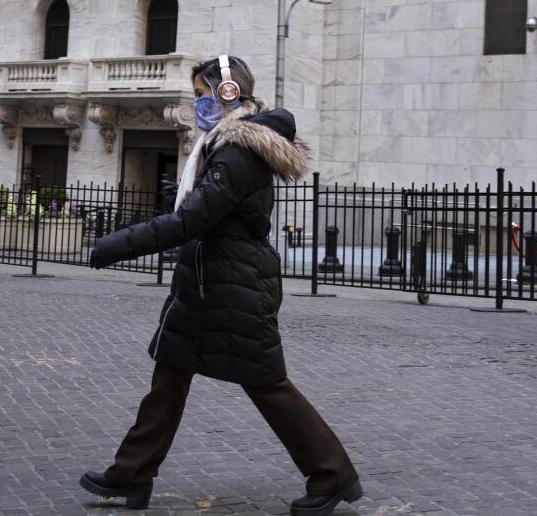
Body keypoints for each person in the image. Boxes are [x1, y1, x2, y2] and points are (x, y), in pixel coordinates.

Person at [81, 55, 361, 516]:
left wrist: (113, 245)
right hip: (208, 280)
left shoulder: (237, 152)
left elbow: (192, 220)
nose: (197, 104)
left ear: (228, 92)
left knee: (267, 383)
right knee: (168, 376)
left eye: (200, 94)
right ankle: (131, 475)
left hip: (234, 283)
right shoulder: (223, 147)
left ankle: (333, 475)